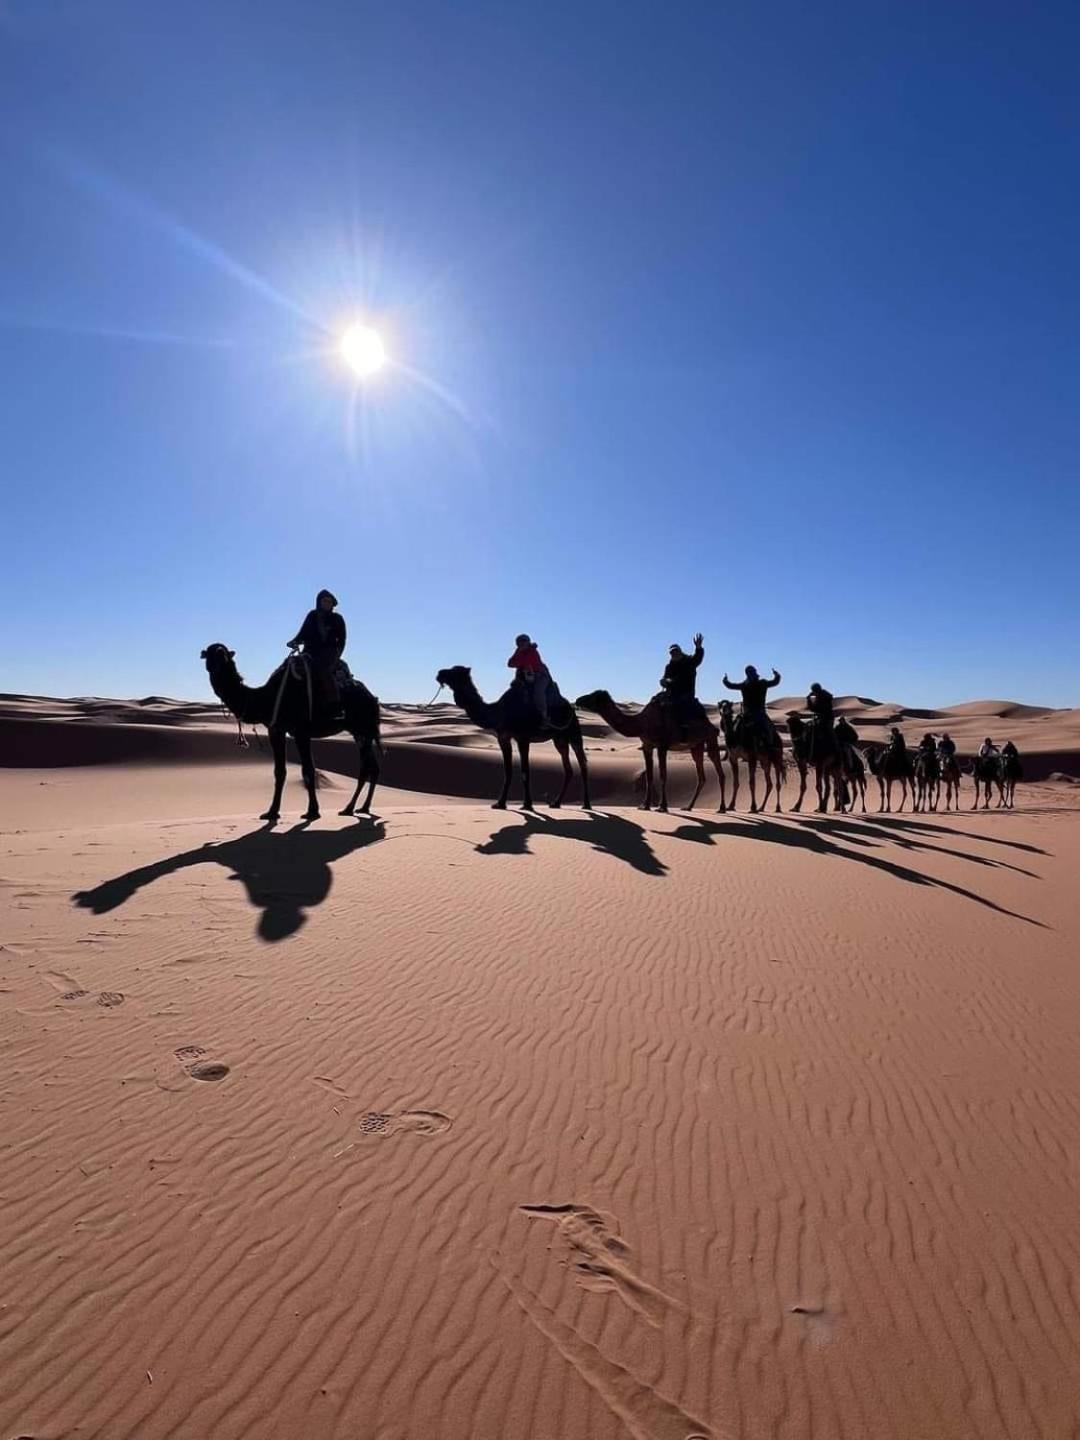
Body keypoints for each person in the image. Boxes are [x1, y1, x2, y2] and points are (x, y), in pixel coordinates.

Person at [288, 589, 347, 712]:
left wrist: (337, 656)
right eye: (325, 601)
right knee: (289, 667)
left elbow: (342, 640)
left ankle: (335, 706)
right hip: (309, 652)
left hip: (329, 654)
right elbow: (302, 633)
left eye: (329, 601)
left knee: (323, 670)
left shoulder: (337, 619)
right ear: (319, 602)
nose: (327, 603)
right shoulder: (312, 616)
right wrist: (294, 641)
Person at [507, 633, 560, 727]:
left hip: (540, 676)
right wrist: (517, 654)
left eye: (524, 642)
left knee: (538, 692)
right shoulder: (518, 651)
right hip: (526, 677)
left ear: (528, 642)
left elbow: (522, 663)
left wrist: (518, 659)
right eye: (519, 642)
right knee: (514, 690)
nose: (522, 644)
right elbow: (510, 664)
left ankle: (544, 717)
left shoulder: (532, 651)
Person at [722, 664, 781, 745]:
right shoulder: (762, 683)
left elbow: (730, 685)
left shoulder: (744, 685)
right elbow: (775, 682)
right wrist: (777, 675)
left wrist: (725, 681)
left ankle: (733, 747)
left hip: (748, 714)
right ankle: (771, 748)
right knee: (770, 730)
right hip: (759, 714)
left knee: (735, 728)